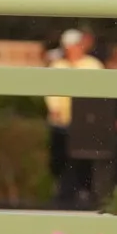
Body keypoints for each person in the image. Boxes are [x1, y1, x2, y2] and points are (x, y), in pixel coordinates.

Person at [44, 28, 104, 202]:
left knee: (84, 159)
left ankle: (84, 192)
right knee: (59, 158)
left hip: (85, 123)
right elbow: (51, 91)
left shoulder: (93, 65)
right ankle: (61, 192)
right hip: (60, 123)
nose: (73, 49)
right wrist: (55, 109)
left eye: (76, 45)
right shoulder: (57, 66)